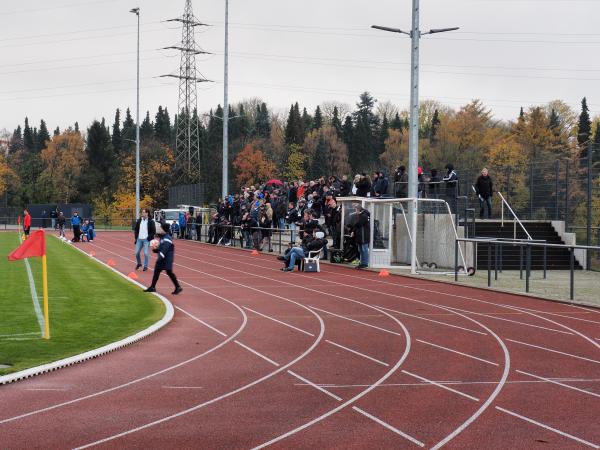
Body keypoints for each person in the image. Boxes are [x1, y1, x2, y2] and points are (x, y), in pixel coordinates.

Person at [144, 222, 182, 295]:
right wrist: (156, 250)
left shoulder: (167, 239)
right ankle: (152, 287)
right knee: (157, 271)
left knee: (169, 272)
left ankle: (178, 287)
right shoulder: (163, 237)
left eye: (161, 228)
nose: (160, 229)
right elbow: (161, 248)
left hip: (167, 258)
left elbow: (164, 250)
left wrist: (159, 258)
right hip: (164, 257)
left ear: (164, 229)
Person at [350, 205, 370, 269]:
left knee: (364, 249)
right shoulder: (360, 215)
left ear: (359, 210)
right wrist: (353, 230)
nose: (355, 211)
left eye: (356, 210)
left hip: (364, 235)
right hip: (360, 235)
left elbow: (358, 224)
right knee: (360, 249)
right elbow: (357, 225)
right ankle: (362, 263)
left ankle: (365, 263)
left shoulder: (364, 216)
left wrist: (354, 225)